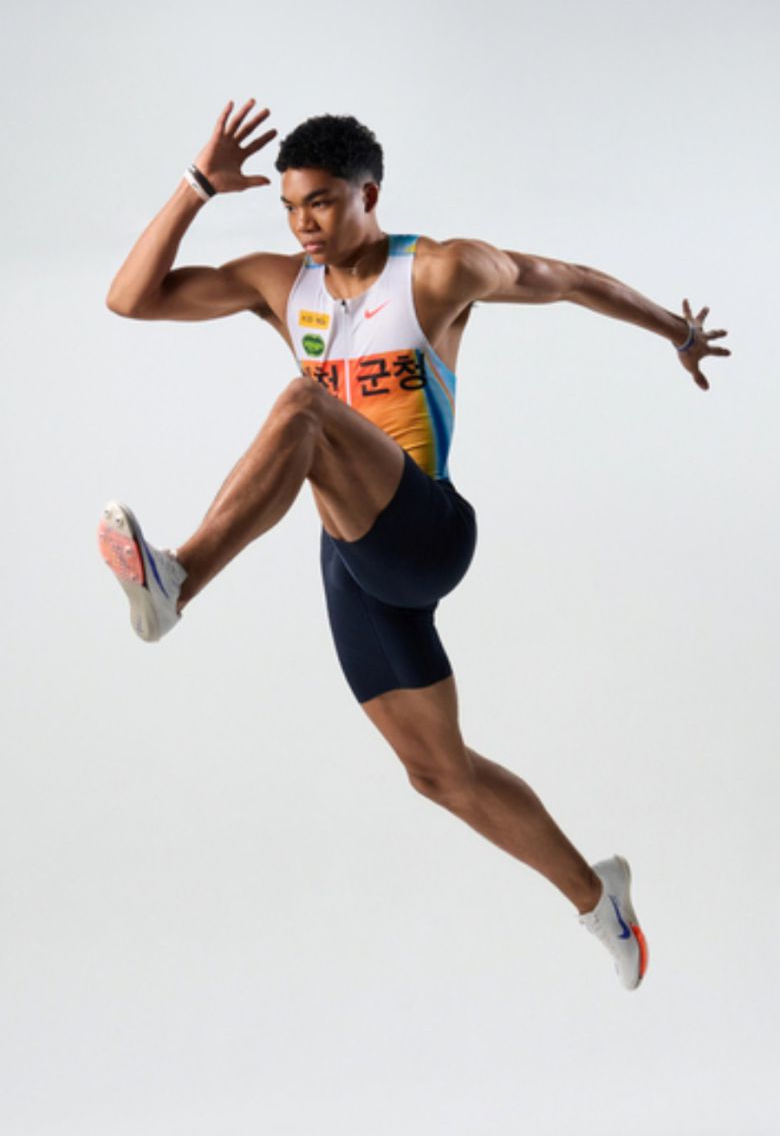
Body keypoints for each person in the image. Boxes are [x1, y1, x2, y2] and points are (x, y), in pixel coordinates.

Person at [98, 99, 730, 991]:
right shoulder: (283, 284)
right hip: (353, 563)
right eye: (289, 207)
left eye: (321, 202)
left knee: (305, 406)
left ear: (369, 193)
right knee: (438, 772)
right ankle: (601, 899)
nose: (303, 224)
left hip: (426, 531)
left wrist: (679, 331)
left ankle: (178, 579)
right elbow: (129, 298)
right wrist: (198, 185)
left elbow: (567, 279)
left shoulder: (435, 270)